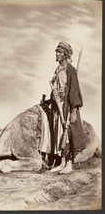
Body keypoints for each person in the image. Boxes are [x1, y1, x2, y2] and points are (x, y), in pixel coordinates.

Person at [42, 42, 84, 174]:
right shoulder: (57, 69)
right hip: (57, 107)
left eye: (60, 52)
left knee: (68, 133)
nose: (58, 54)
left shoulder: (70, 70)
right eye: (57, 52)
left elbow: (74, 89)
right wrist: (49, 100)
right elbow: (55, 88)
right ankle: (62, 162)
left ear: (66, 54)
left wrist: (73, 109)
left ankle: (69, 164)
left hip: (66, 106)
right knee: (59, 133)